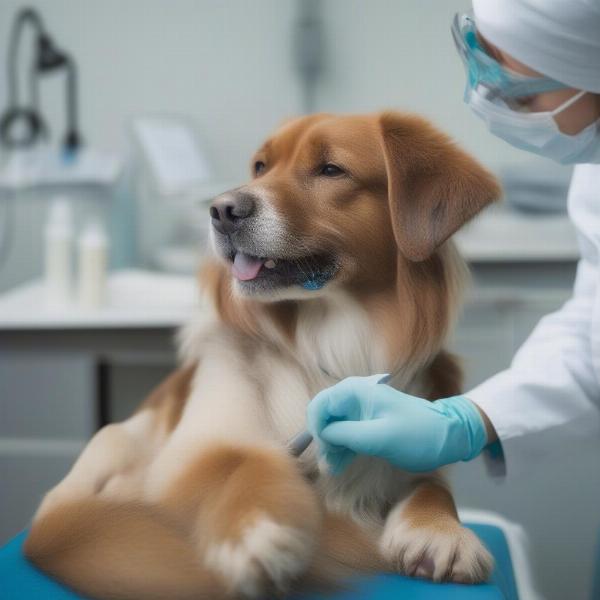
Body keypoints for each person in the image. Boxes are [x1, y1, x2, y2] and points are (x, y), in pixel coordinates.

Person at [306, 0, 600, 477]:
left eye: (521, 97)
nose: (488, 103)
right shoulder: (594, 173)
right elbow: (594, 339)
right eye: (480, 65)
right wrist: (468, 419)